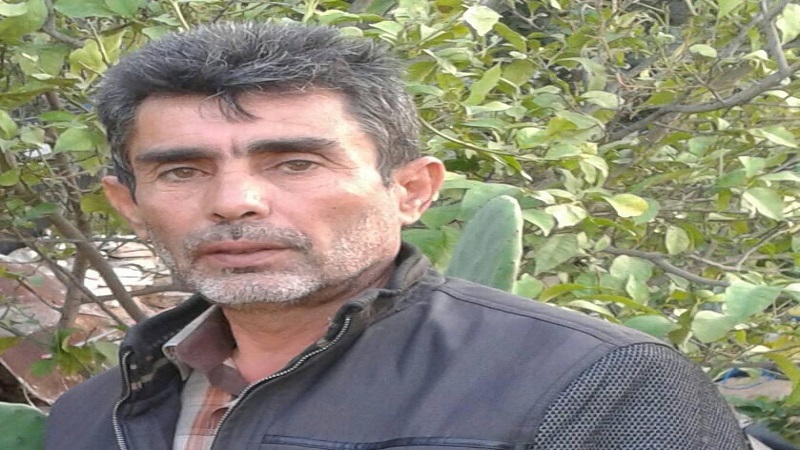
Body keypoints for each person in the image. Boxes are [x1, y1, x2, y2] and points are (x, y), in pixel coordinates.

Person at [44, 21, 750, 450]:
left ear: (411, 190)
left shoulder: (595, 382)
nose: (235, 202)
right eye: (181, 171)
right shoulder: (91, 416)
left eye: (295, 163)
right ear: (129, 204)